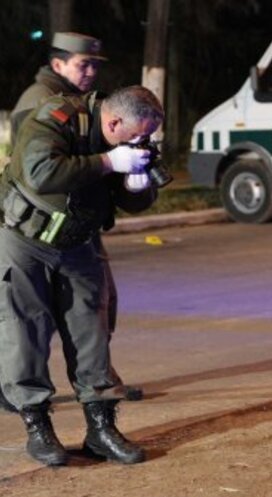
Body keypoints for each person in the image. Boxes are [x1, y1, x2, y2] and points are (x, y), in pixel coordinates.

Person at [0, 85, 163, 466]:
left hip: (78, 244)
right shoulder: (56, 119)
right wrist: (109, 163)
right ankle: (38, 429)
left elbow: (133, 200)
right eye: (138, 134)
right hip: (25, 241)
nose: (142, 142)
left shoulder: (125, 140)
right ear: (113, 121)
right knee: (25, 334)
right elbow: (42, 171)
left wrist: (138, 184)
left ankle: (101, 430)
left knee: (92, 334)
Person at [0, 32, 143, 415]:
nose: (92, 71)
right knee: (29, 320)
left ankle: (99, 386)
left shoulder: (90, 107)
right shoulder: (42, 103)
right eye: (84, 64)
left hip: (74, 222)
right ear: (58, 63)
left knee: (95, 306)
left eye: (96, 64)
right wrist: (109, 164)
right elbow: (37, 171)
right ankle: (19, 392)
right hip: (38, 224)